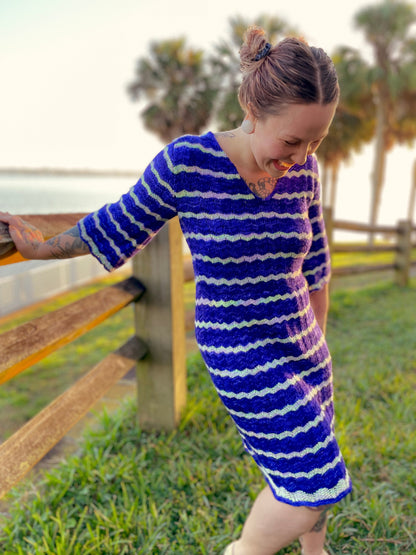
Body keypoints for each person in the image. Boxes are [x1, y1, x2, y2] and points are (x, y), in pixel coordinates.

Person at [0, 26, 352, 555]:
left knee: (311, 448)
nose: (301, 156)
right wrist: (39, 249)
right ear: (252, 111)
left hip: (302, 339)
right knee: (314, 476)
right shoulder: (189, 163)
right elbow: (118, 222)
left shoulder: (305, 171)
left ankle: (314, 551)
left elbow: (315, 261)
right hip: (239, 346)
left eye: (315, 141)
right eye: (291, 140)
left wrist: (317, 344)